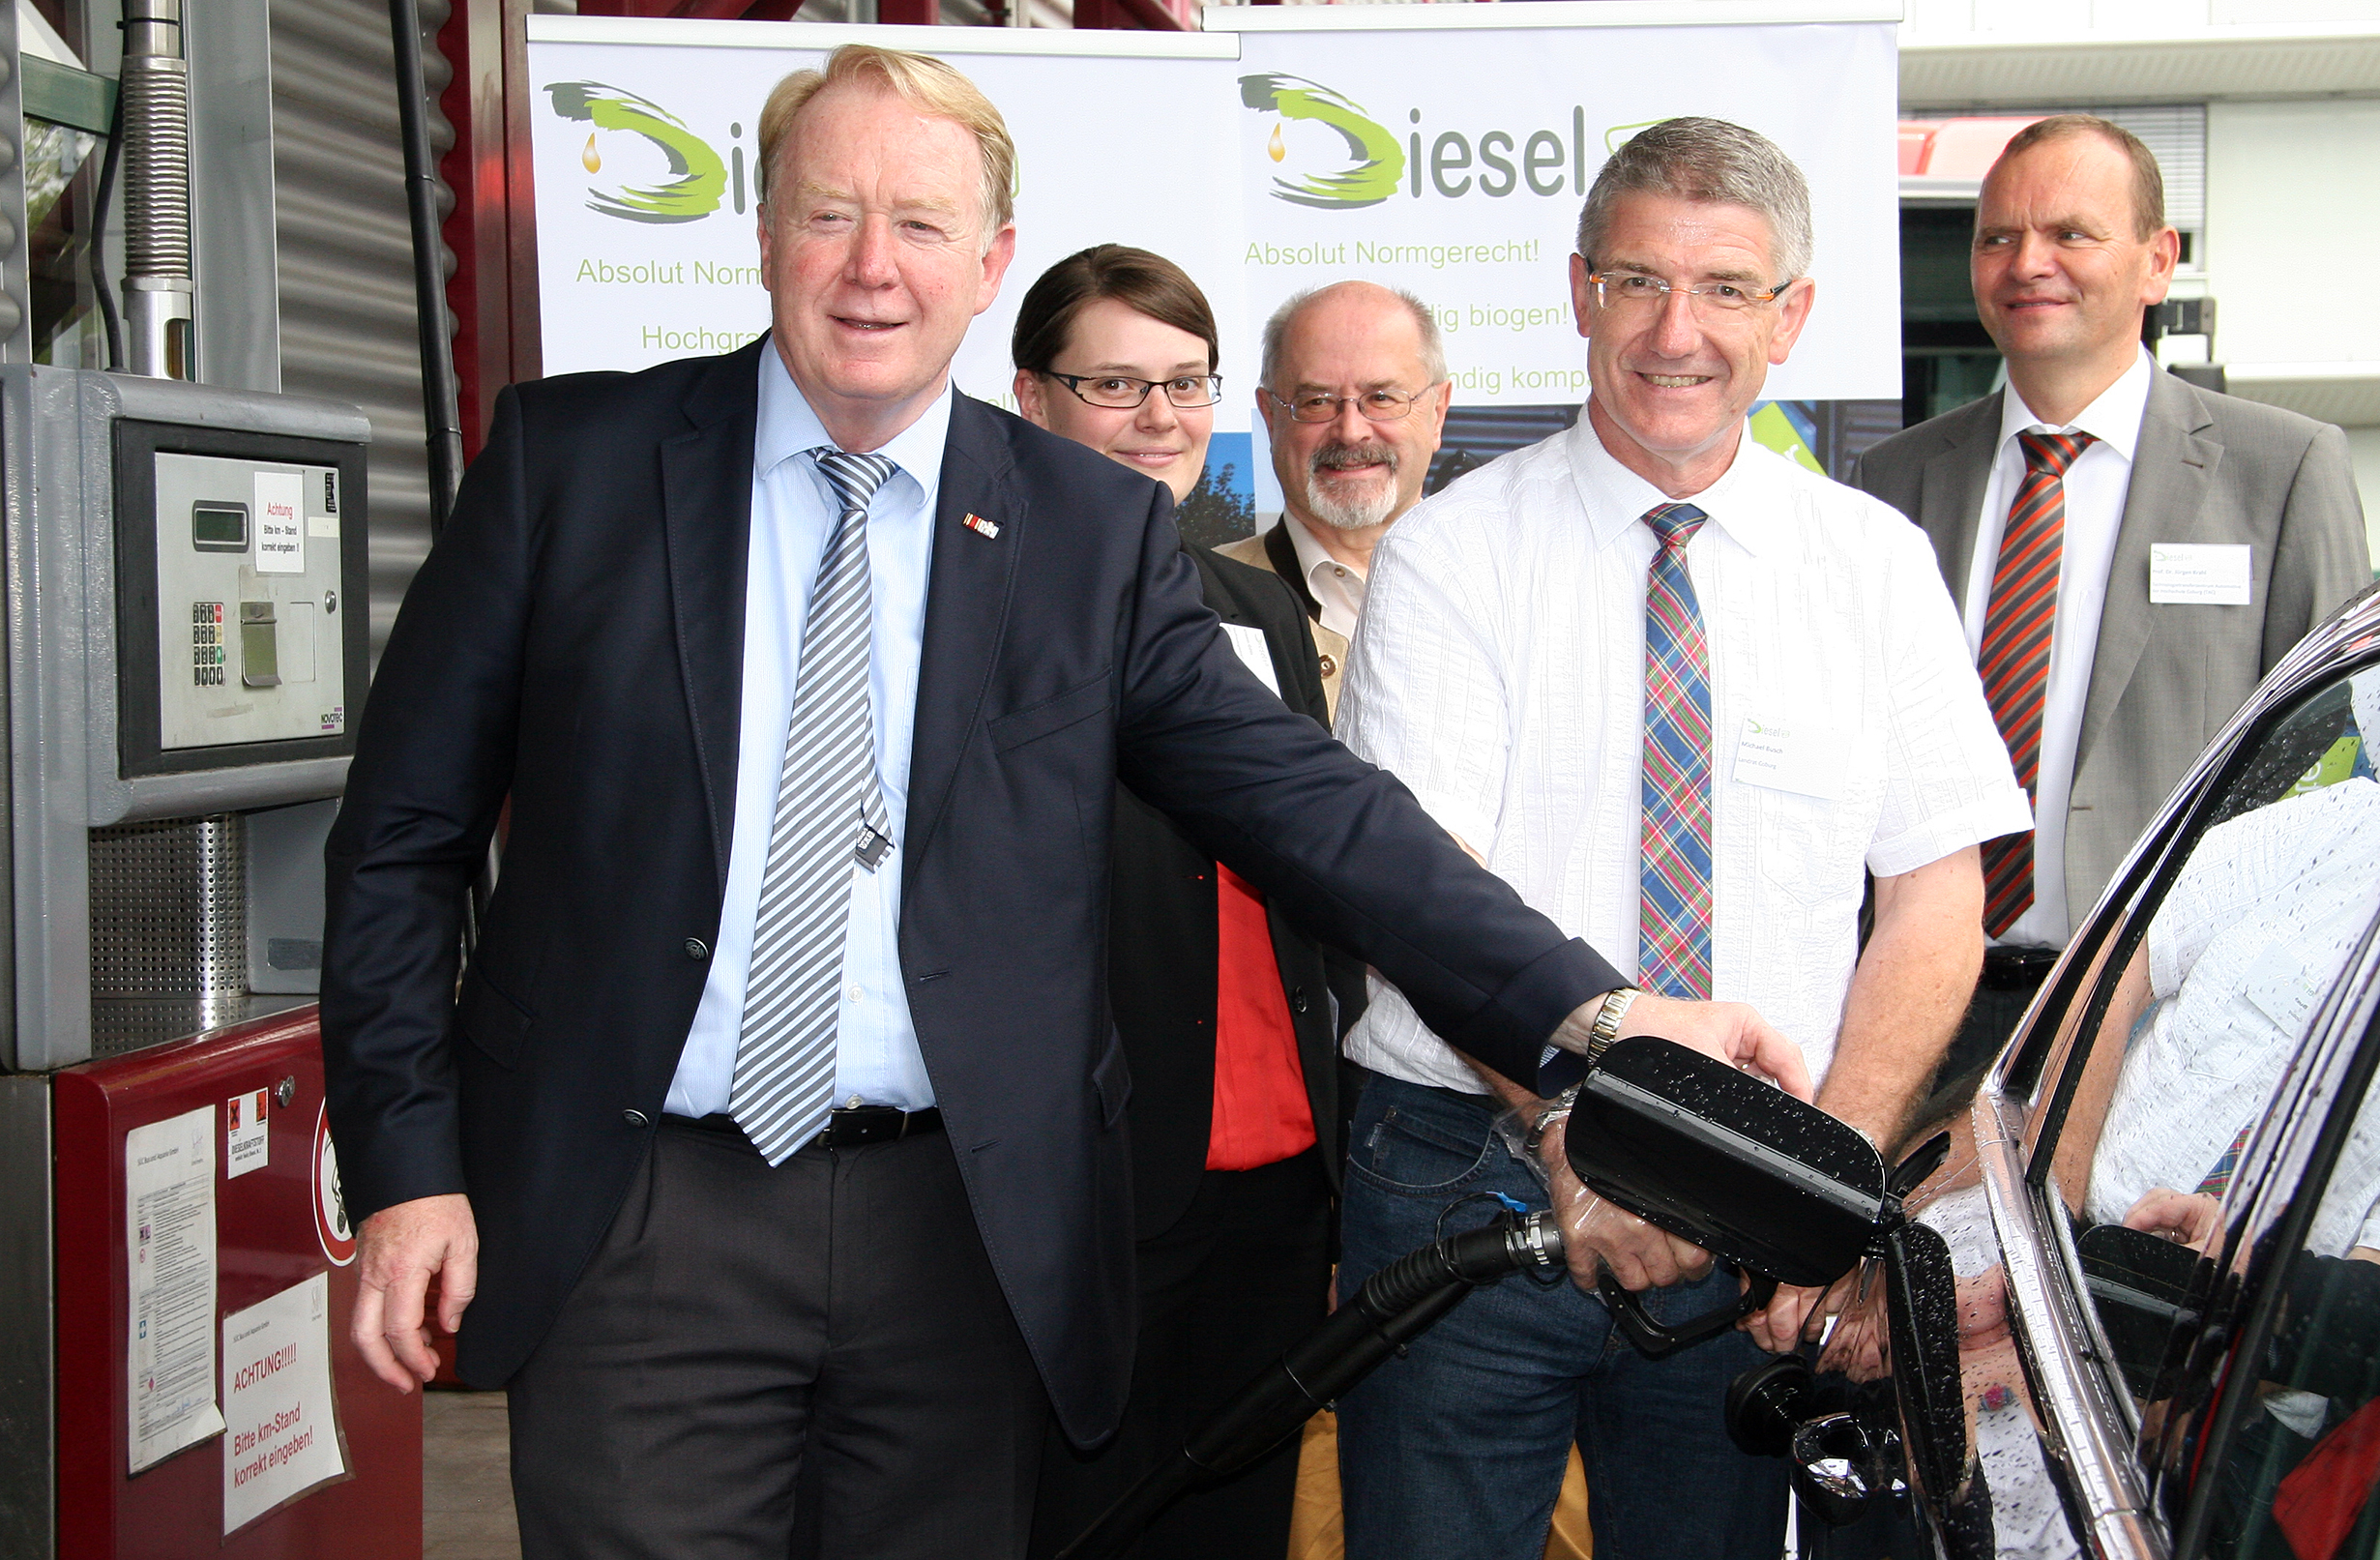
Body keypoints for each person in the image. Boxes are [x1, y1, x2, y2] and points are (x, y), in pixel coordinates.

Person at [320, 48, 1807, 1560]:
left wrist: (1595, 1016)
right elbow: (398, 843)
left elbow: (1310, 807)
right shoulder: (571, 466)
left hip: (959, 1238)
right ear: (762, 232)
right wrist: (406, 1165)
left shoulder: (1085, 533)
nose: (872, 267)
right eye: (829, 214)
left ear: (990, 261)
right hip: (642, 1213)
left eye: (919, 222)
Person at [1328, 117, 2033, 1560]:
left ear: (1793, 317)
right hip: (1477, 1157)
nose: (1675, 331)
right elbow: (1421, 900)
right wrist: (1570, 1125)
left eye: (1724, 289)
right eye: (1639, 281)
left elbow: (1934, 898)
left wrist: (1823, 1179)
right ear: (1578, 290)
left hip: (1756, 1197)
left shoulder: (1872, 567)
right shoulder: (1451, 556)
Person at [1852, 114, 2370, 1077]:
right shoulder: (1894, 481)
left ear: (2155, 261)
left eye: (2069, 234)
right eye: (1996, 237)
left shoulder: (2284, 467)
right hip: (1922, 1010)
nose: (2026, 262)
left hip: (2173, 1023)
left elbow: (2340, 775)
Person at [1008, 244, 1336, 1560]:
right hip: (1089, 1180)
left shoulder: (1259, 603)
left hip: (1276, 1179)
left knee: (1239, 1525)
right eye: (1116, 384)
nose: (1160, 419)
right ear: (1031, 401)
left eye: (1186, 383)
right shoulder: (980, 613)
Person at [1216, 281, 1451, 719]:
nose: (1351, 431)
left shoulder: (1517, 584)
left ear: (1437, 412)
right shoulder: (1195, 600)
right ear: (1269, 417)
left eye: (1381, 398)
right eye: (1317, 402)